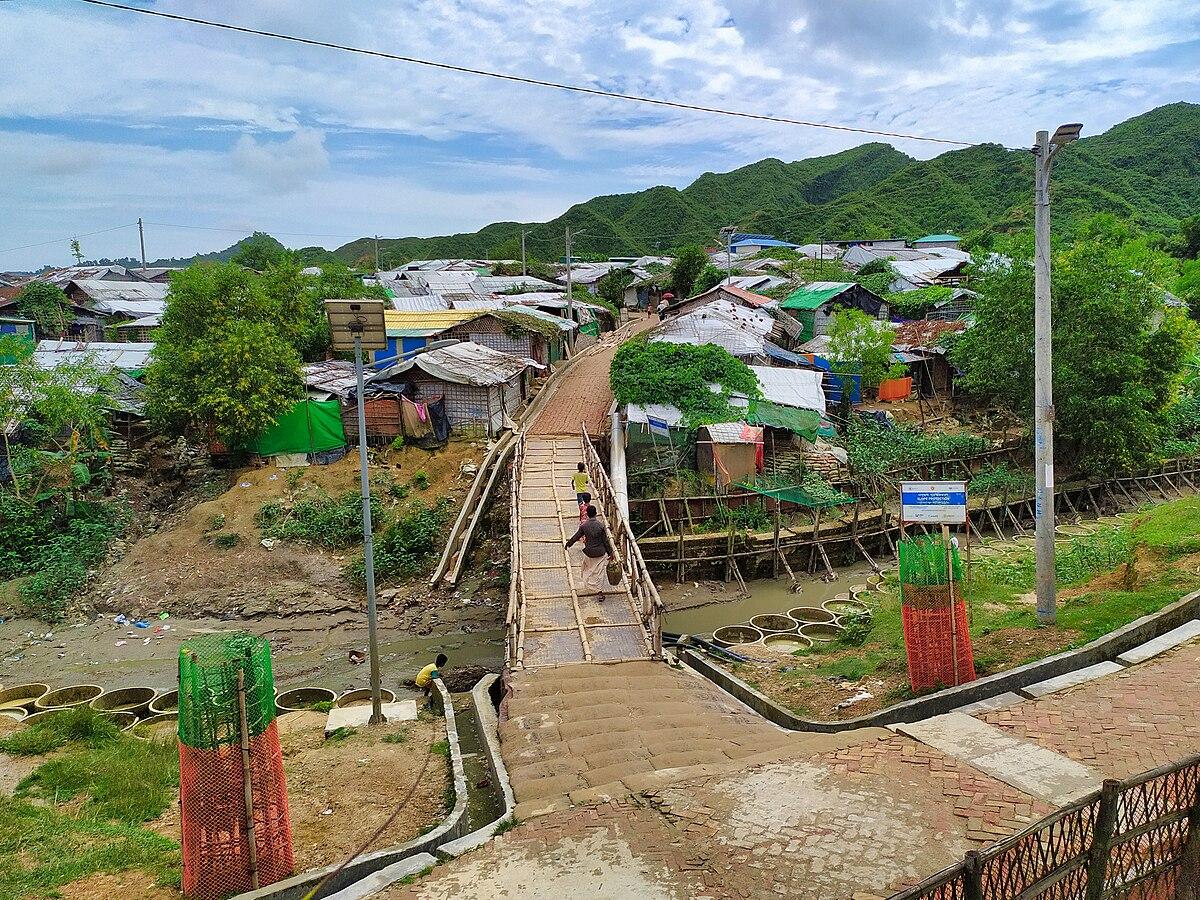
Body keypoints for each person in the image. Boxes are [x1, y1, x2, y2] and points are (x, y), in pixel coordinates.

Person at [565, 505, 615, 598]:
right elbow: (606, 541)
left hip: (589, 552)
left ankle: (589, 584)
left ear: (587, 514)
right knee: (599, 573)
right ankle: (599, 592)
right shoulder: (601, 525)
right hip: (600, 552)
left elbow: (576, 536)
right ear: (596, 514)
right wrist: (610, 553)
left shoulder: (584, 526)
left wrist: (569, 544)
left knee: (587, 568)